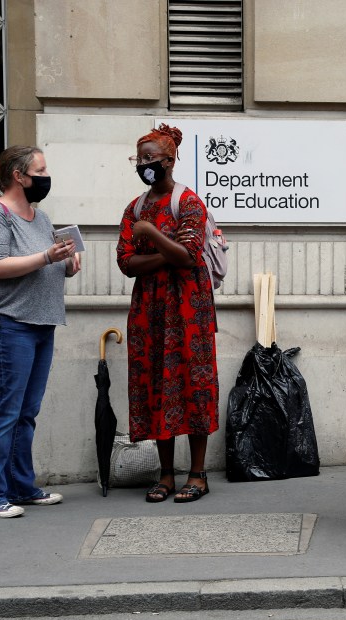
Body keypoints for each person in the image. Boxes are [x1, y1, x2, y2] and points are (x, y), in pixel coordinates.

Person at [0, 146, 81, 518]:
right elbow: (0, 266)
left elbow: (45, 264)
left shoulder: (41, 216)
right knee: (6, 411)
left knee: (27, 412)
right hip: (10, 324)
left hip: (42, 323)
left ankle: (20, 486)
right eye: (41, 170)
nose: (46, 177)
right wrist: (49, 256)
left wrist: (66, 261)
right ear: (19, 175)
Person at [116, 124, 219, 503]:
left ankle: (197, 474)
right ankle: (165, 475)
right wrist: (168, 253)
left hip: (189, 309)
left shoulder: (189, 202)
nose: (143, 164)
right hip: (149, 311)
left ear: (169, 160)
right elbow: (126, 262)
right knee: (156, 384)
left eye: (149, 158)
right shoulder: (136, 207)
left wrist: (151, 234)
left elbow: (190, 255)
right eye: (138, 158)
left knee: (195, 384)